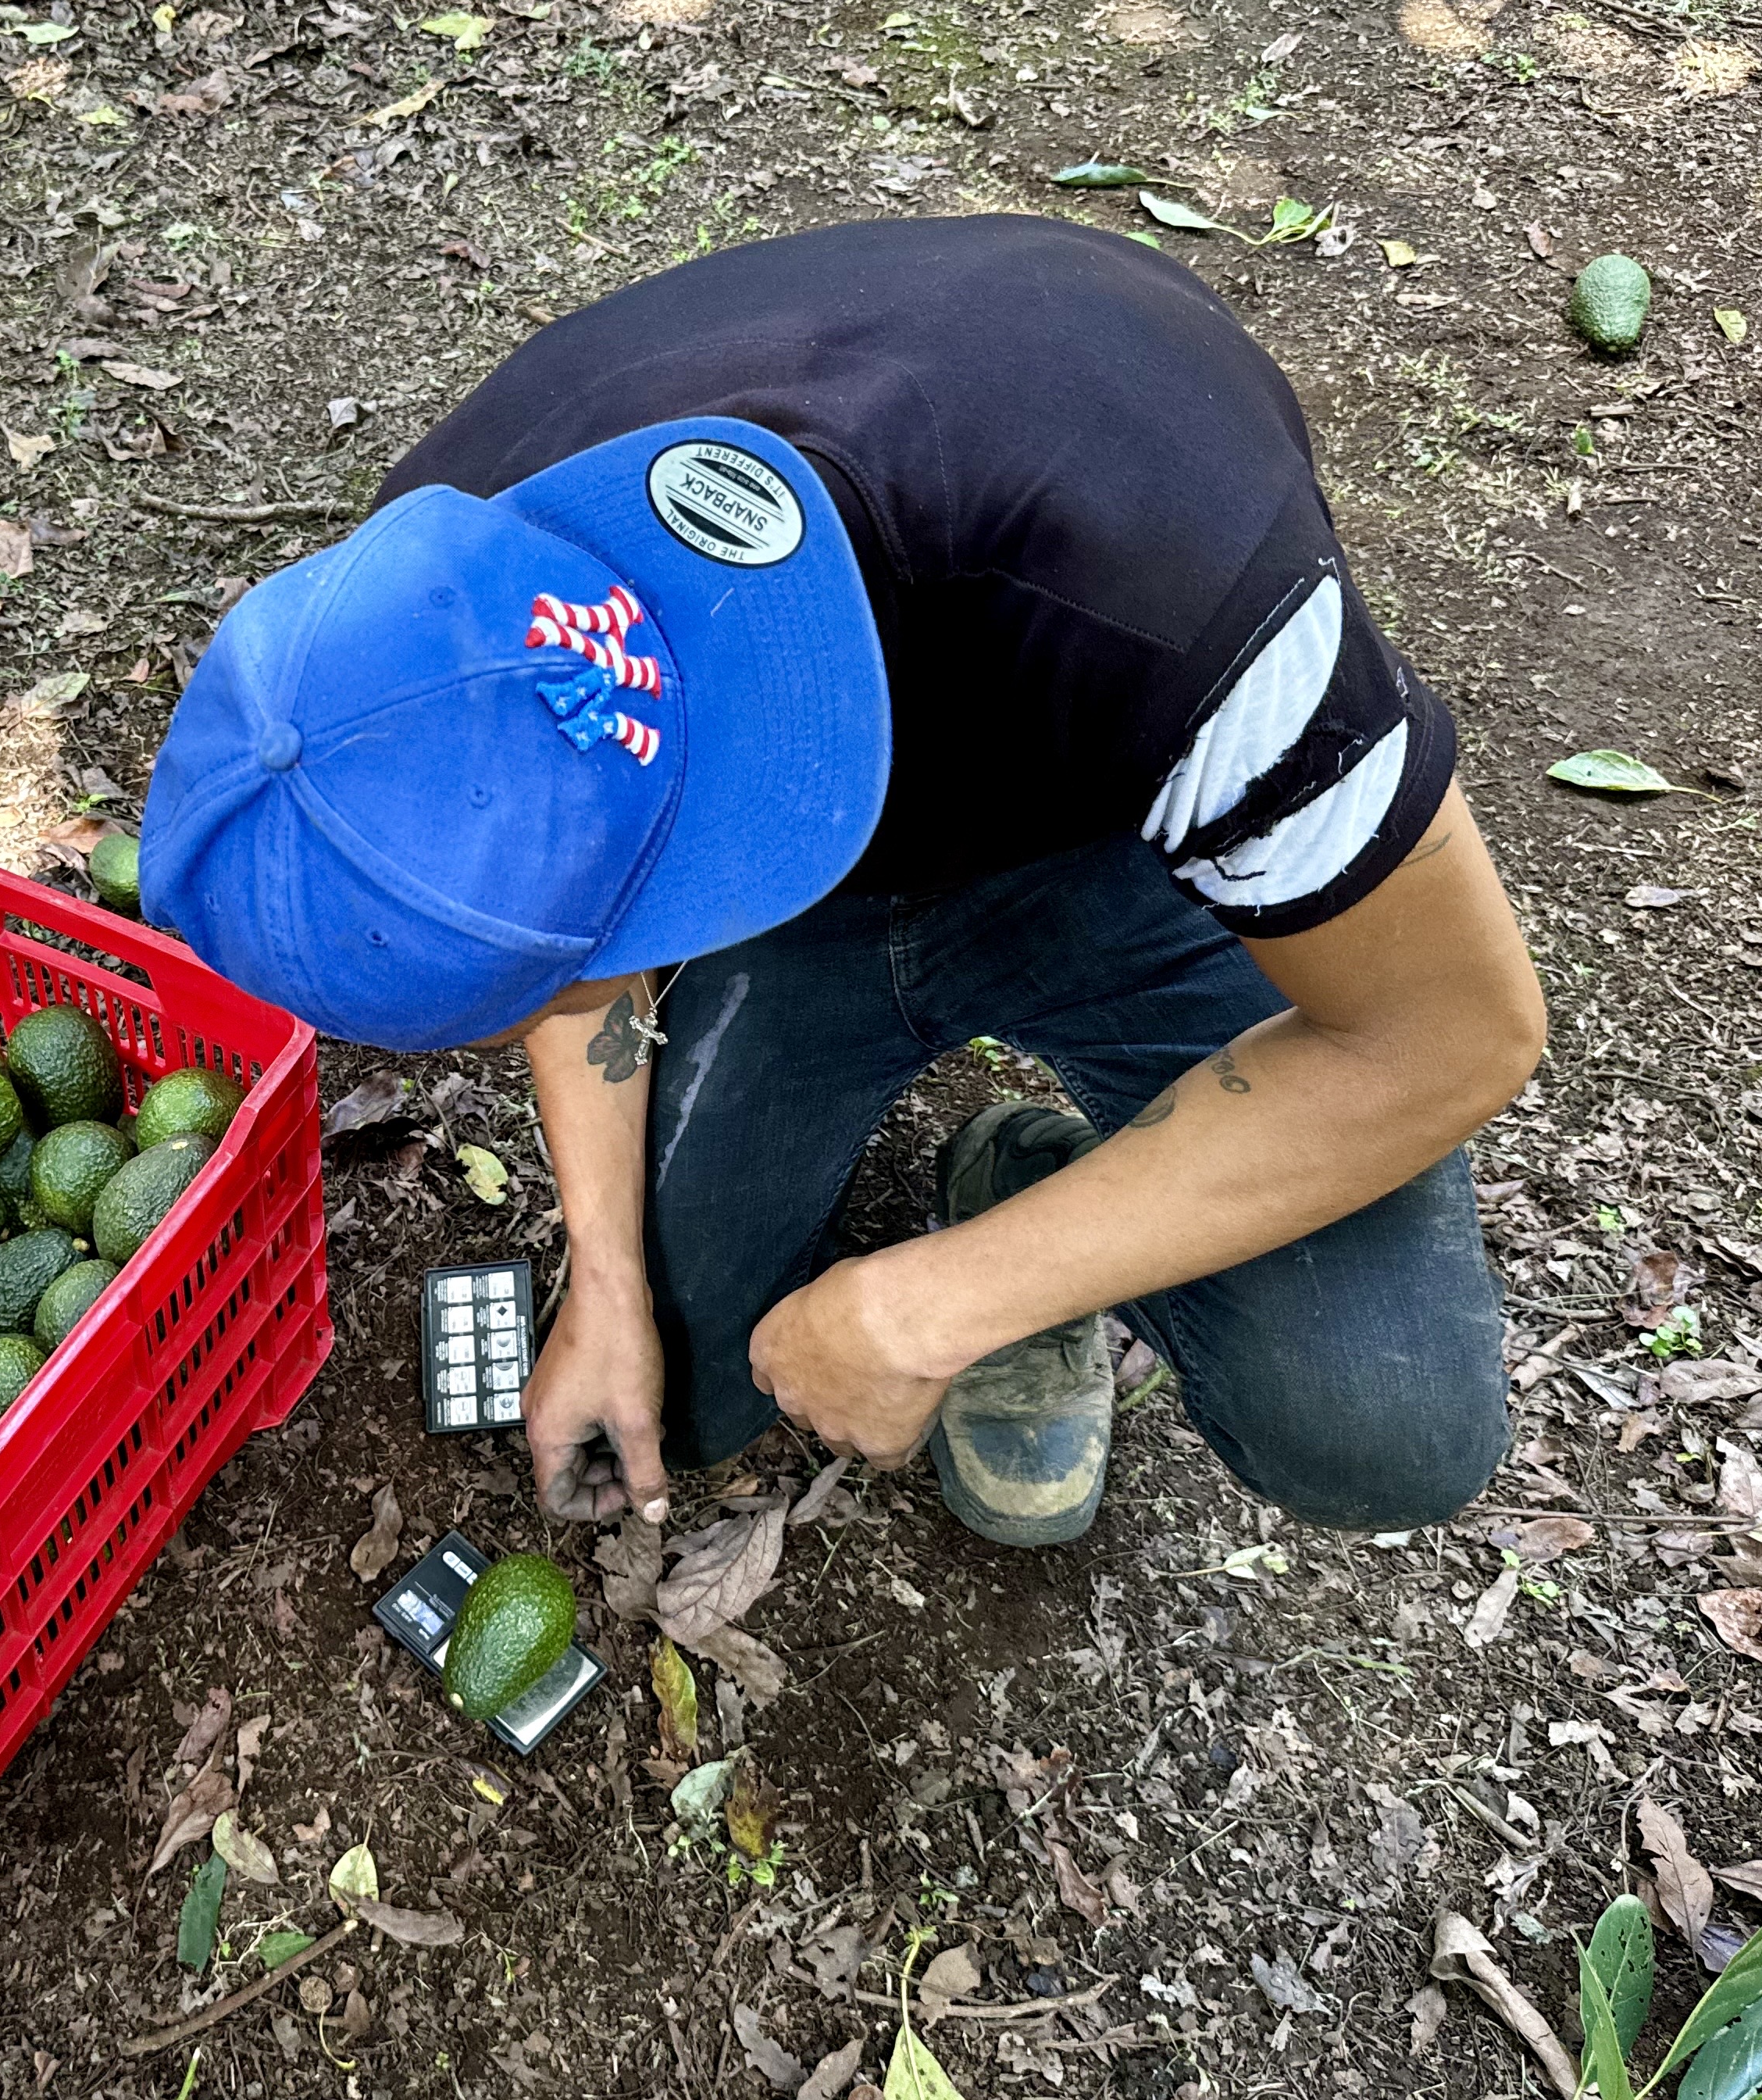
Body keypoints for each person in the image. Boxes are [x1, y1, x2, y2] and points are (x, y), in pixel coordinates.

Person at [137, 214, 1544, 1546]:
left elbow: (1456, 1034)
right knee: (690, 1399)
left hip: (1114, 839)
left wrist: (944, 1302)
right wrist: (606, 1266)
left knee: (1380, 1425)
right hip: (806, 900)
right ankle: (1024, 1184)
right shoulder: (416, 605)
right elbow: (576, 923)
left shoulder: (1186, 603)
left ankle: (1039, 1196)